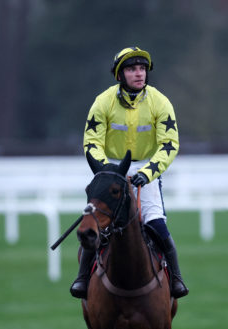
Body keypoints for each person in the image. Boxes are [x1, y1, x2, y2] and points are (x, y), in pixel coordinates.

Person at [70, 46, 189, 299]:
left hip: (146, 172)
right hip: (109, 169)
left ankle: (176, 278)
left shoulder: (161, 102)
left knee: (156, 224)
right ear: (120, 75)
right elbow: (92, 142)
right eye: (132, 69)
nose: (139, 74)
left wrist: (146, 174)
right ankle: (82, 278)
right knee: (97, 225)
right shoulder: (103, 102)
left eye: (142, 69)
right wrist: (109, 172)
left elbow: (170, 144)